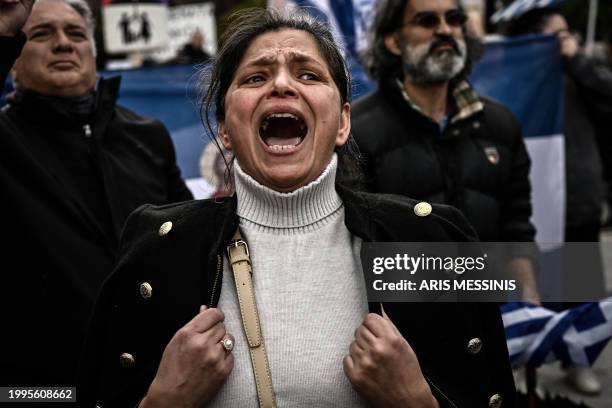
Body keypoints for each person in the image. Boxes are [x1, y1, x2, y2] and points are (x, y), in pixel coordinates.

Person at [80, 8, 515, 408]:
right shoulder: (159, 251)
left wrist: (416, 400)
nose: (282, 85)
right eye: (254, 78)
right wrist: (163, 401)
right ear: (225, 130)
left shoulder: (429, 241)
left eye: (309, 74)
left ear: (343, 122)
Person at [0, 0, 193, 388]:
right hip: (39, 391)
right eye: (40, 34)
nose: (63, 44)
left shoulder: (147, 136)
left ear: (93, 50)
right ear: (13, 61)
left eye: (76, 34)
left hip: (155, 384)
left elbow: (193, 245)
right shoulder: (5, 142)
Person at [352, 0, 539, 303]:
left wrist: (530, 304)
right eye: (427, 21)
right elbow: (359, 252)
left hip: (491, 318)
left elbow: (516, 229)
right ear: (393, 41)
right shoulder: (357, 133)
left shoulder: (500, 124)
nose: (445, 30)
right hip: (406, 331)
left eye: (454, 20)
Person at [503, 6, 612, 395]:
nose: (570, 41)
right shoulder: (516, 78)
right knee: (522, 283)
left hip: (577, 201)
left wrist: (576, 62)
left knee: (579, 286)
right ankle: (514, 359)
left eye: (569, 35)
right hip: (530, 205)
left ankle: (576, 360)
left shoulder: (579, 76)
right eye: (560, 35)